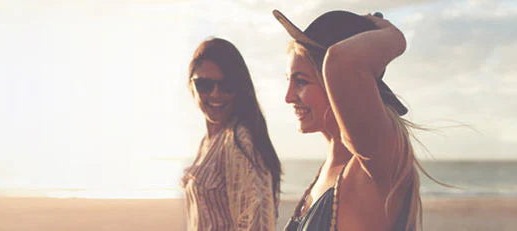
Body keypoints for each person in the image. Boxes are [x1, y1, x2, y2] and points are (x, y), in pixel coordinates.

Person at [273, 10, 429, 231]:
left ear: (333, 82)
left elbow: (342, 61)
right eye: (289, 80)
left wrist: (393, 35)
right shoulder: (331, 166)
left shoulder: (373, 164)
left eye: (301, 82)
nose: (288, 97)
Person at [182, 38, 284, 231]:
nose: (215, 94)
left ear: (239, 88)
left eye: (227, 85)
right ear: (191, 86)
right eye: (204, 84)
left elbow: (257, 221)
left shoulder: (240, 140)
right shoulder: (208, 141)